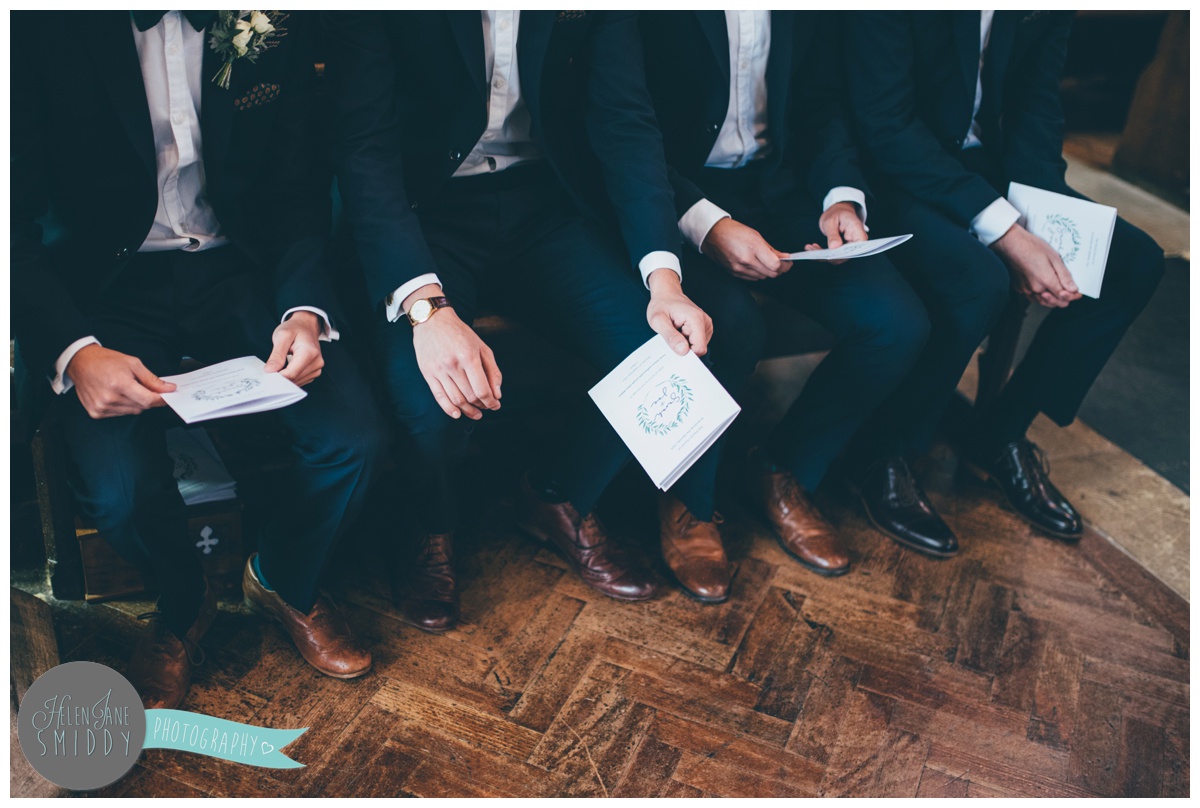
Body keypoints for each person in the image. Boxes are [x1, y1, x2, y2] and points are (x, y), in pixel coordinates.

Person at [324, 10, 764, 616]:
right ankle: (426, 526)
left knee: (670, 354)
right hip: (423, 212)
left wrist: (664, 280)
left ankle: (558, 495)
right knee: (433, 396)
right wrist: (427, 307)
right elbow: (363, 149)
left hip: (547, 205)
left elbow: (624, 123)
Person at [11, 11, 390, 709]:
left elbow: (296, 190)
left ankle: (284, 577)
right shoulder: (37, 26)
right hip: (104, 291)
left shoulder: (265, 19)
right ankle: (183, 608)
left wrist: (303, 310)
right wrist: (76, 352)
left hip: (239, 268)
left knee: (353, 439)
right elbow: (12, 221)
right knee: (119, 490)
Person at [640, 10, 973, 563]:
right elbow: (626, 130)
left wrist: (840, 196)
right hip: (672, 196)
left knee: (895, 323)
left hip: (779, 187)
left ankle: (781, 466)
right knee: (725, 326)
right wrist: (707, 224)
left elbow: (821, 102)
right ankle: (684, 496)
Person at [847, 11, 1165, 541]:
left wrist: (1041, 211)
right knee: (979, 279)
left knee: (1134, 263)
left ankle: (999, 432)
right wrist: (1006, 232)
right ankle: (884, 453)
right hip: (895, 174)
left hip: (988, 168)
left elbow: (1036, 103)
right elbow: (885, 124)